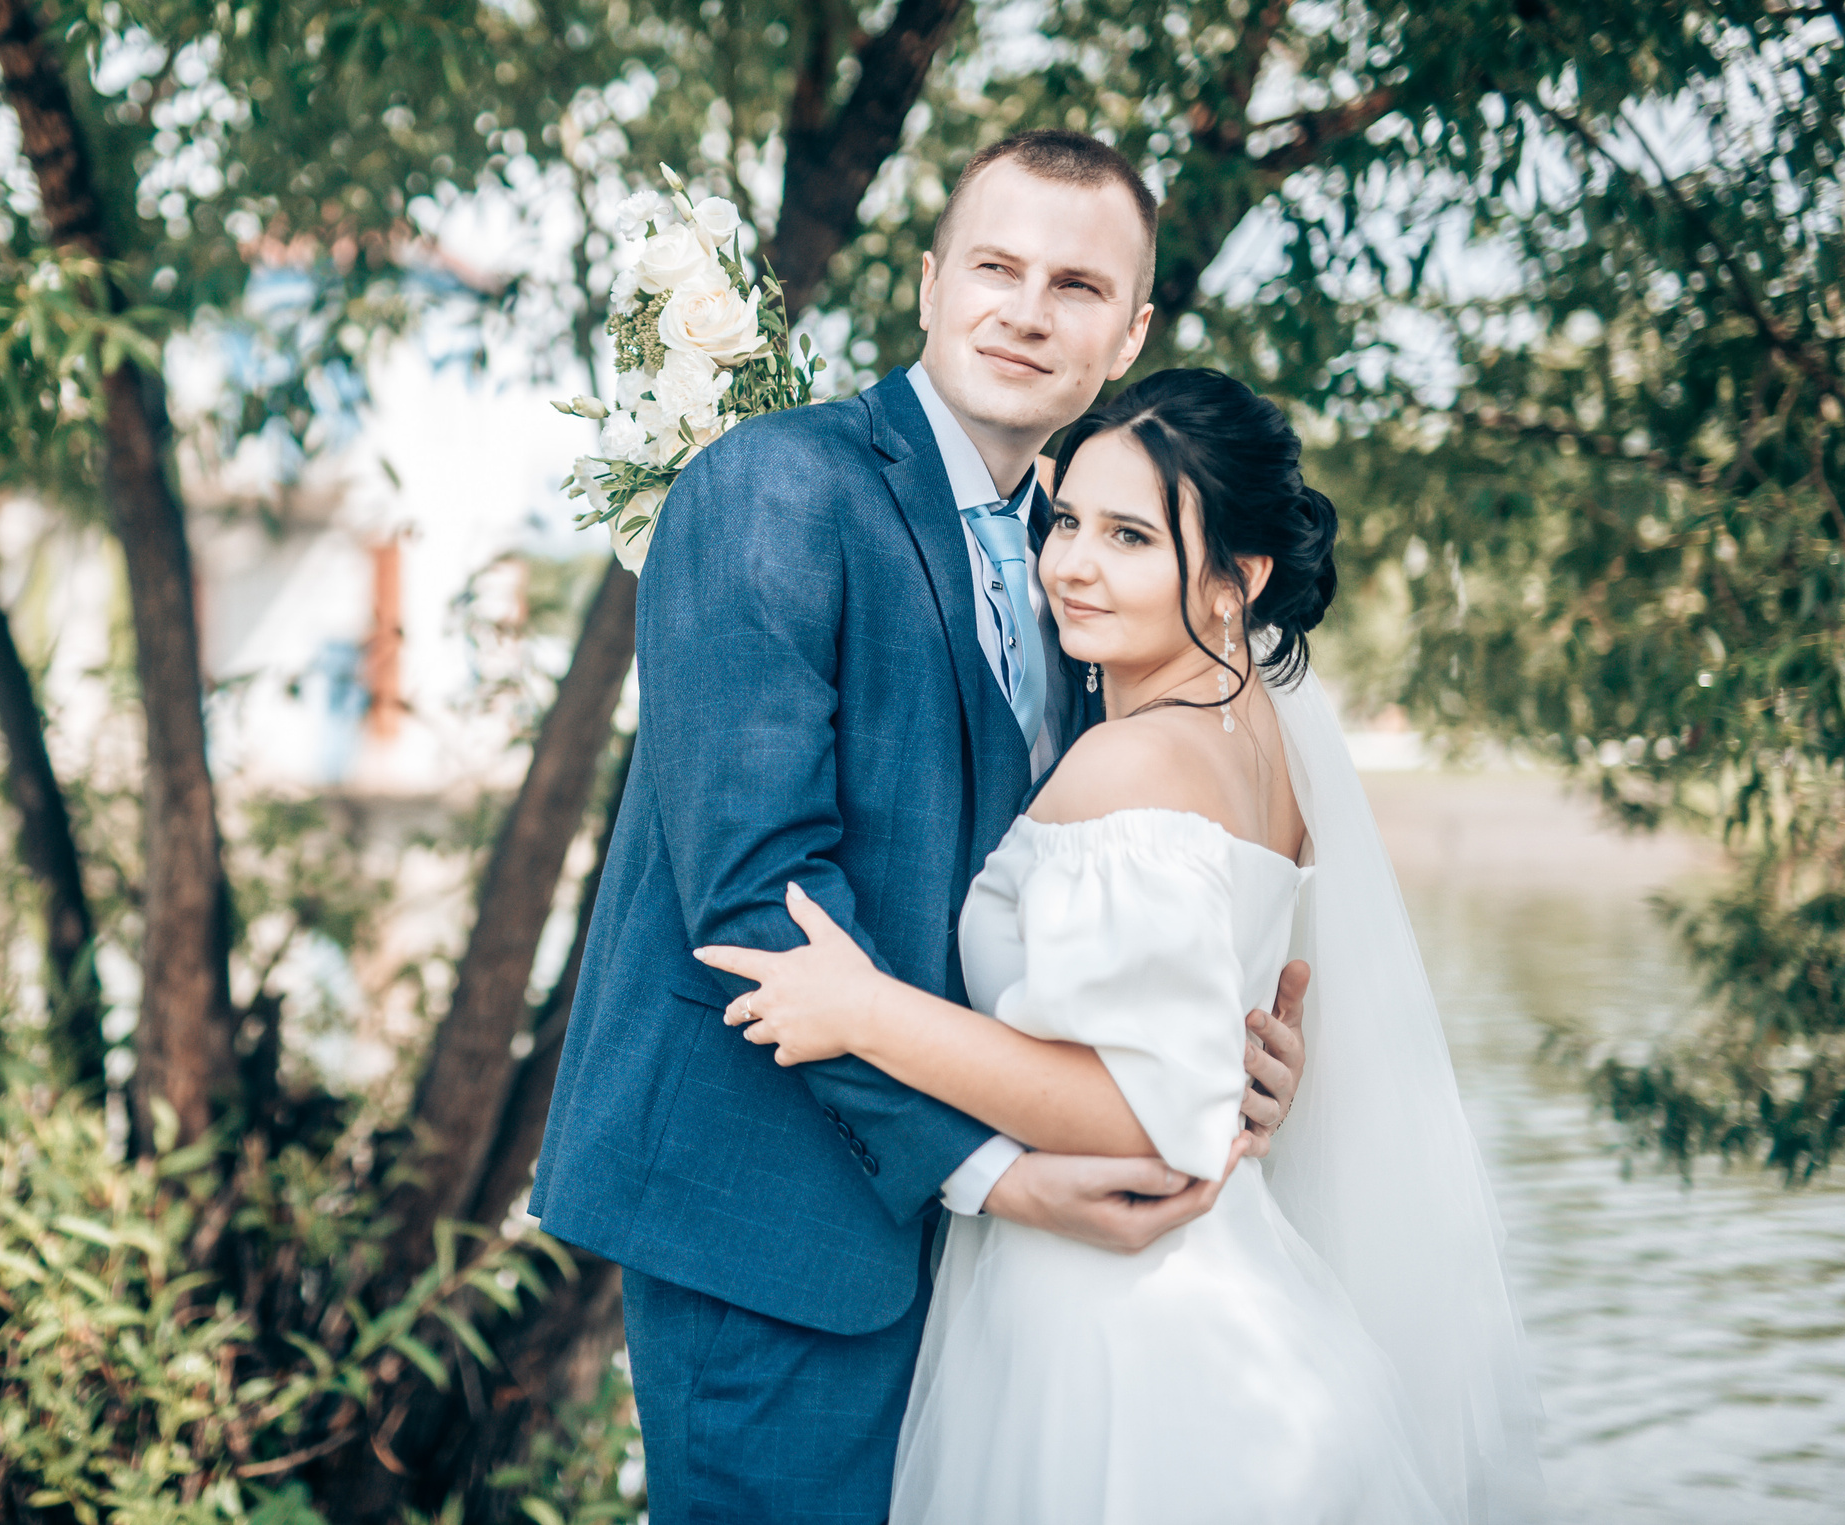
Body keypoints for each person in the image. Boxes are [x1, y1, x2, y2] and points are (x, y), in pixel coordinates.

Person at [528, 130, 1310, 1523]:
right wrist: (997, 1171)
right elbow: (755, 908)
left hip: (976, 1262)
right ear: (932, 280)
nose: (1025, 308)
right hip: (772, 1218)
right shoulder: (774, 487)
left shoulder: (1080, 559)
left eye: (1075, 285)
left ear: (1127, 334)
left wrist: (1218, 1049)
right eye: (996, 266)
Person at [699, 368, 1545, 1522]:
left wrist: (864, 1010)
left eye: (1131, 536)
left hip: (1120, 1339)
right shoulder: (1256, 733)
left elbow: (1146, 1113)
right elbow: (1196, 1048)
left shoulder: (1134, 761)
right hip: (1219, 1293)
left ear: (1237, 576)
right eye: (1067, 522)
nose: (1072, 565)